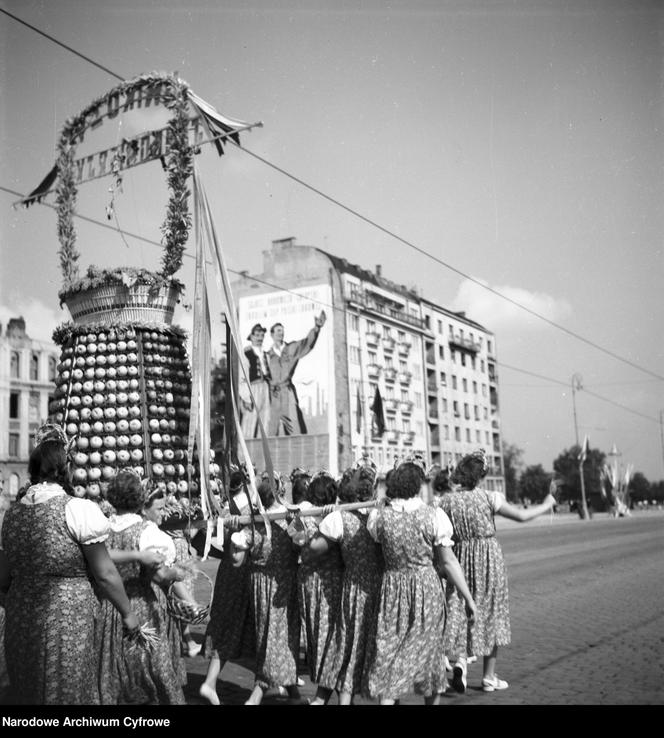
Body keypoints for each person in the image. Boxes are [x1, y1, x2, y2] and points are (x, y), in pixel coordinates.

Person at [0, 424, 139, 704]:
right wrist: (128, 613)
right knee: (67, 693)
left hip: (21, 620)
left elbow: (3, 577)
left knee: (28, 694)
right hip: (68, 621)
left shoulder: (12, 514)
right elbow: (105, 573)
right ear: (66, 468)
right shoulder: (77, 509)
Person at [441, 449, 557, 694]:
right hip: (488, 558)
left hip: (459, 557)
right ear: (480, 475)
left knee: (462, 608)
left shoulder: (446, 501)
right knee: (492, 611)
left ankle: (461, 661)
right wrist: (546, 504)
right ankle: (488, 676)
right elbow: (523, 516)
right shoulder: (489, 497)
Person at [364, 458, 476, 705]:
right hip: (426, 591)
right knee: (429, 655)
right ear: (416, 486)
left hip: (392, 591)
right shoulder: (433, 516)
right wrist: (468, 598)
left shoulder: (379, 517)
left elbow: (375, 550)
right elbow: (448, 562)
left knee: (389, 652)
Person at [96, 471, 188, 705]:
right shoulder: (147, 531)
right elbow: (159, 576)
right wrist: (177, 572)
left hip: (108, 610)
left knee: (115, 675)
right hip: (141, 610)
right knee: (153, 672)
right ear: (139, 499)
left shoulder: (102, 527)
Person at [310, 462, 383, 705]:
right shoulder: (380, 515)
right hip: (381, 587)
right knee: (368, 642)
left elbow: (315, 548)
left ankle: (331, 698)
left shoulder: (339, 519)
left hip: (354, 586)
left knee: (347, 640)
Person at [230, 477, 301, 705]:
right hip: (283, 585)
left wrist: (235, 536)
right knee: (277, 639)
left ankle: (294, 694)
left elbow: (236, 561)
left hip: (261, 584)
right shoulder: (285, 519)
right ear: (280, 493)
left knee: (275, 637)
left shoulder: (254, 523)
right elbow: (302, 544)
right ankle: (257, 695)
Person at [199, 469, 255, 706]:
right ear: (246, 483)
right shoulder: (247, 506)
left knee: (226, 624)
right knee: (244, 626)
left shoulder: (227, 506)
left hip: (227, 572)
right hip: (244, 573)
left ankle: (287, 685)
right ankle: (211, 682)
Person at [292, 472, 342, 696]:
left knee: (318, 631)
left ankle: (326, 686)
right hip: (329, 580)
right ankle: (329, 686)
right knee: (329, 633)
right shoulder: (334, 516)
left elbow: (294, 541)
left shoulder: (304, 516)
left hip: (310, 580)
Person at [267, 311, 326, 436]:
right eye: (278, 331)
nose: (281, 333)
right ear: (272, 334)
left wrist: (317, 328)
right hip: (273, 395)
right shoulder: (267, 355)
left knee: (295, 428)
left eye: (282, 331)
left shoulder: (292, 348)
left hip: (287, 392)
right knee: (271, 430)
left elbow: (307, 343)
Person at [239, 323, 272, 439]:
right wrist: (246, 398)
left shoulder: (265, 354)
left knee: (265, 420)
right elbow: (242, 378)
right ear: (251, 337)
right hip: (252, 388)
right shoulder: (246, 353)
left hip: (265, 388)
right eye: (257, 335)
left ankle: (261, 454)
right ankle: (244, 455)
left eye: (262, 335)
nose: (259, 338)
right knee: (250, 421)